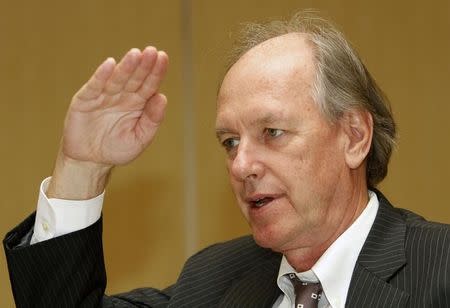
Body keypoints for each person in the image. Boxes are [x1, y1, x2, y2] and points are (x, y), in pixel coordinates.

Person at [3, 11, 449, 308]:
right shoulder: (216, 281)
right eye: (230, 142)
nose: (240, 167)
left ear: (354, 136)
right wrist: (81, 166)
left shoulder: (439, 270)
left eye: (271, 133)